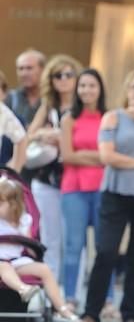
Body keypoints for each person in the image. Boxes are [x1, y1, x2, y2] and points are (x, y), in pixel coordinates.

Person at [67, 68, 134, 322]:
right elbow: (107, 156)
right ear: (127, 90)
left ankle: (130, 315)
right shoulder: (112, 118)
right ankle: (92, 314)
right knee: (106, 251)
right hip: (116, 192)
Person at [25, 54, 82, 279]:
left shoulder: (82, 108)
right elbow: (28, 136)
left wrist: (64, 137)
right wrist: (46, 133)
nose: (64, 79)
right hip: (47, 179)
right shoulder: (49, 106)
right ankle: (51, 294)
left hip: (75, 179)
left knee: (73, 241)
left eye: (69, 74)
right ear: (51, 80)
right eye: (58, 75)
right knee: (49, 239)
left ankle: (71, 295)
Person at [60, 68, 111, 311]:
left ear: (100, 89)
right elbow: (67, 156)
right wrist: (97, 156)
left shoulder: (109, 117)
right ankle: (69, 297)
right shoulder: (68, 119)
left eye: (92, 85)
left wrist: (86, 155)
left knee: (104, 246)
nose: (86, 90)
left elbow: (109, 157)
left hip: (103, 188)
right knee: (74, 246)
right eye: (82, 86)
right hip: (74, 189)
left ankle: (107, 300)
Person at [0, 176, 79, 322]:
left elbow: (29, 245)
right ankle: (23, 289)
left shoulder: (24, 221)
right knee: (4, 267)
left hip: (17, 261)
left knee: (44, 269)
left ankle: (61, 308)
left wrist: (31, 246)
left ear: (13, 204)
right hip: (1, 263)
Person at [2, 49, 45, 165]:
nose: (24, 73)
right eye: (20, 69)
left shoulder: (50, 100)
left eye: (29, 68)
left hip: (45, 167)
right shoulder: (9, 98)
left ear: (42, 69)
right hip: (13, 163)